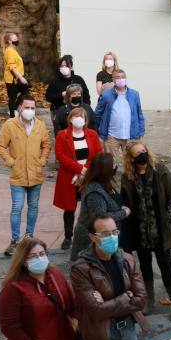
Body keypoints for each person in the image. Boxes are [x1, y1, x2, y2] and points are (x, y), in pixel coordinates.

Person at [120, 142, 171, 321]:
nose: (142, 155)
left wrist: (168, 218)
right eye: (138, 154)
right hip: (139, 232)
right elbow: (125, 203)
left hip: (161, 232)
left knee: (166, 267)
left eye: (144, 151)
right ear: (131, 159)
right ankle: (149, 301)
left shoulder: (160, 171)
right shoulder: (127, 177)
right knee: (145, 267)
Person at [0, 95, 51, 256]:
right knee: (17, 208)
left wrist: (42, 160)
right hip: (18, 175)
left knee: (33, 206)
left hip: (36, 174)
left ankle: (29, 236)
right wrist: (10, 161)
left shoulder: (40, 125)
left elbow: (46, 144)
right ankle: (14, 241)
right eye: (27, 107)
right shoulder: (10, 125)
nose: (30, 111)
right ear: (19, 108)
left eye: (33, 108)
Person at [54, 107, 102, 250]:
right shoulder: (62, 135)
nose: (79, 118)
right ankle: (68, 237)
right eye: (76, 116)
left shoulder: (92, 134)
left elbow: (98, 152)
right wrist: (79, 169)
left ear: (86, 120)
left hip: (88, 176)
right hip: (70, 177)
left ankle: (91, 235)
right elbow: (60, 156)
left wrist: (85, 169)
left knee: (90, 206)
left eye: (81, 116)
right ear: (70, 119)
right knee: (69, 208)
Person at [70, 153, 130, 262]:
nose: (115, 167)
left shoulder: (105, 183)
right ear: (106, 170)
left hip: (107, 238)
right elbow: (100, 217)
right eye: (113, 164)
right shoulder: (94, 192)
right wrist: (123, 213)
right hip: (94, 243)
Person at [95, 69, 145, 167]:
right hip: (111, 136)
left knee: (132, 163)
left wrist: (141, 133)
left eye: (122, 77)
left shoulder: (134, 94)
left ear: (126, 79)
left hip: (130, 136)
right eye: (117, 77)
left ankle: (130, 181)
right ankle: (111, 182)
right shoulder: (106, 95)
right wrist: (99, 131)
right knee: (110, 164)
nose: (120, 79)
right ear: (113, 80)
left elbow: (139, 114)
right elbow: (97, 114)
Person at [45, 55, 91, 125]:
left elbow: (86, 96)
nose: (64, 68)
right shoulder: (55, 81)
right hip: (59, 112)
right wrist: (61, 95)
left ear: (71, 67)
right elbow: (48, 97)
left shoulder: (78, 79)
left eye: (66, 66)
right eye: (62, 66)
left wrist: (86, 110)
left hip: (77, 112)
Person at [3, 32, 28, 118]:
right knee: (13, 97)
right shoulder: (10, 51)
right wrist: (21, 78)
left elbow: (15, 62)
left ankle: (14, 110)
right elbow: (12, 67)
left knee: (24, 93)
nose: (17, 40)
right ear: (9, 41)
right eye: (15, 38)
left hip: (16, 79)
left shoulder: (12, 50)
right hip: (12, 79)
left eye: (17, 38)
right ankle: (12, 115)